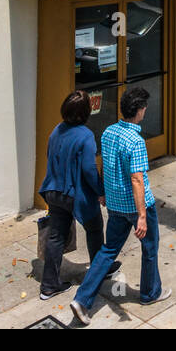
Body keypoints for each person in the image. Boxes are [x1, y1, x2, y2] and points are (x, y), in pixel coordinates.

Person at [70, 87, 170, 324]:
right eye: (144, 107)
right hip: (136, 207)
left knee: (107, 251)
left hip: (115, 206)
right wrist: (142, 216)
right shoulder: (136, 141)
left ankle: (82, 299)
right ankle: (150, 293)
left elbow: (104, 162)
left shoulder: (108, 133)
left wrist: (103, 192)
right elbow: (137, 179)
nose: (146, 110)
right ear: (139, 111)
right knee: (150, 248)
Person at [37, 90, 118, 300]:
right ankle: (100, 271)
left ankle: (49, 285)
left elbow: (50, 156)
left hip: (53, 190)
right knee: (94, 229)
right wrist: (100, 192)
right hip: (75, 195)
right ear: (85, 113)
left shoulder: (56, 131)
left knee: (56, 236)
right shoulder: (86, 136)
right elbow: (89, 170)